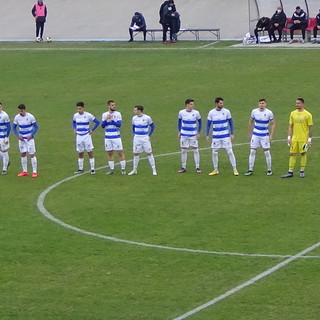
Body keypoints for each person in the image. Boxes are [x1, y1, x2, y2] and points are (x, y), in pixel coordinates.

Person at [206, 97, 239, 176]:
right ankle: (215, 170)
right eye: (220, 103)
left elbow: (231, 123)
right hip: (216, 136)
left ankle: (235, 169)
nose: (222, 104)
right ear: (216, 103)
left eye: (222, 103)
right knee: (214, 152)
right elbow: (208, 124)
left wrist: (232, 133)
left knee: (230, 151)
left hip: (225, 136)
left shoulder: (227, 111)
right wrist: (207, 135)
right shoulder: (211, 112)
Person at [281, 98, 313, 178]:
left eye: (298, 103)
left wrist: (309, 140)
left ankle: (302, 171)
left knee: (303, 153)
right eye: (296, 103)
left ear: (302, 104)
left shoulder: (308, 114)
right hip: (294, 138)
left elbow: (310, 128)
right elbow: (290, 126)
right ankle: (290, 172)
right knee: (292, 154)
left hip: (304, 139)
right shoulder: (292, 113)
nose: (297, 105)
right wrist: (289, 137)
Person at [244, 99, 276, 176]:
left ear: (265, 104)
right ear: (258, 104)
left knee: (267, 152)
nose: (261, 105)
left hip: (265, 135)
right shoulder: (254, 111)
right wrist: (249, 133)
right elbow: (250, 122)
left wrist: (271, 135)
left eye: (263, 103)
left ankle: (269, 170)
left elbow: (273, 124)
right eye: (260, 103)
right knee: (252, 151)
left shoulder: (269, 113)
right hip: (255, 135)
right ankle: (250, 169)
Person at [128, 105, 157, 176]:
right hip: (137, 138)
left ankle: (154, 169)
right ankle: (134, 169)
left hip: (145, 138)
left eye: (135, 110)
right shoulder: (134, 118)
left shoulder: (147, 118)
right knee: (136, 153)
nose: (134, 111)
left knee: (149, 153)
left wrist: (149, 135)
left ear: (139, 110)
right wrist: (134, 134)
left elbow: (152, 126)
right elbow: (133, 127)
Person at [72, 101, 100, 175]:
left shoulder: (88, 115)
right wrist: (74, 128)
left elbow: (97, 122)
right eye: (77, 109)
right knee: (80, 152)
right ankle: (80, 169)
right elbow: (74, 122)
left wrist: (92, 130)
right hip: (79, 136)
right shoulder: (75, 115)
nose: (78, 110)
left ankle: (93, 169)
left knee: (89, 152)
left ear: (83, 108)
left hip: (86, 136)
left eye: (80, 108)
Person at [12, 104, 39, 178]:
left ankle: (34, 172)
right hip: (22, 138)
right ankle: (24, 171)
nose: (20, 112)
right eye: (19, 111)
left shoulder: (30, 117)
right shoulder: (17, 117)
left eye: (21, 110)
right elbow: (13, 128)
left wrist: (32, 134)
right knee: (23, 154)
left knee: (32, 154)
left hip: (29, 138)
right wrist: (18, 135)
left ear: (24, 110)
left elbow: (36, 127)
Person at [101, 100, 126, 175]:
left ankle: (123, 169)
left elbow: (119, 125)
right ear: (108, 106)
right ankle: (111, 170)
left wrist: (112, 120)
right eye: (112, 105)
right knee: (109, 153)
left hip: (116, 137)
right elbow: (102, 126)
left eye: (114, 105)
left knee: (120, 152)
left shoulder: (118, 114)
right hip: (107, 137)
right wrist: (106, 119)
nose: (114, 106)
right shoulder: (104, 114)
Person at [177, 99, 202, 174]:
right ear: (187, 105)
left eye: (193, 104)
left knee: (195, 150)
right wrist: (179, 131)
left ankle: (197, 167)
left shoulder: (196, 113)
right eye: (191, 104)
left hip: (193, 134)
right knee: (183, 150)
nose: (193, 105)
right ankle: (183, 167)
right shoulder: (181, 112)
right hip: (184, 134)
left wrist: (198, 132)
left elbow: (200, 123)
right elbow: (179, 122)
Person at [0, 102, 11, 175]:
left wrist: (6, 137)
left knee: (4, 151)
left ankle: (4, 169)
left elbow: (8, 127)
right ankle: (7, 162)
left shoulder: (4, 115)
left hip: (3, 136)